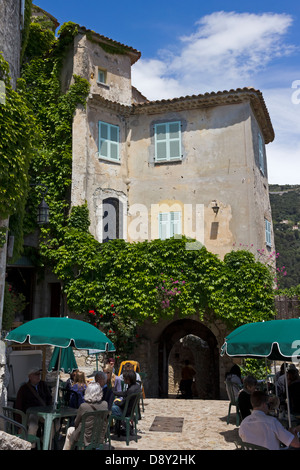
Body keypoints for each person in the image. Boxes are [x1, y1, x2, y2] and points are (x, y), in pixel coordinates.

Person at [63, 382, 108, 450]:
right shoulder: (105, 404)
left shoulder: (84, 406)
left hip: (85, 437)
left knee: (70, 430)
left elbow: (76, 423)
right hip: (99, 436)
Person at [15, 367, 52, 439]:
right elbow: (18, 406)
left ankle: (46, 444)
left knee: (52, 425)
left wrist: (49, 409)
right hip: (32, 413)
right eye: (36, 374)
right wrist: (19, 425)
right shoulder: (24, 388)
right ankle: (31, 446)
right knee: (33, 426)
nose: (39, 376)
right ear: (30, 377)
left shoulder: (43, 385)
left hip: (44, 412)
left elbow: (49, 398)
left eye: (39, 374)